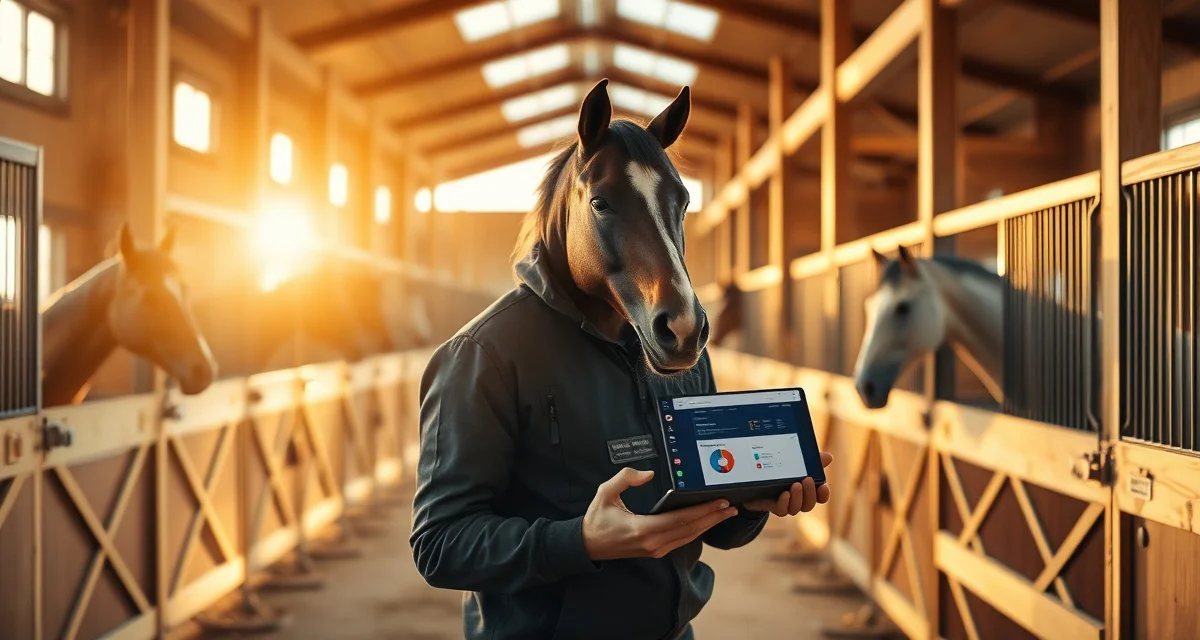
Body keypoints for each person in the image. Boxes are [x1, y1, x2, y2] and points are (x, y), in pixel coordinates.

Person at [409, 80, 832, 640]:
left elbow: (714, 525)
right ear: (581, 207)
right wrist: (580, 542)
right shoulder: (483, 356)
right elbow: (439, 543)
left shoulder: (678, 346)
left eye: (671, 212)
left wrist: (751, 502)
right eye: (608, 207)